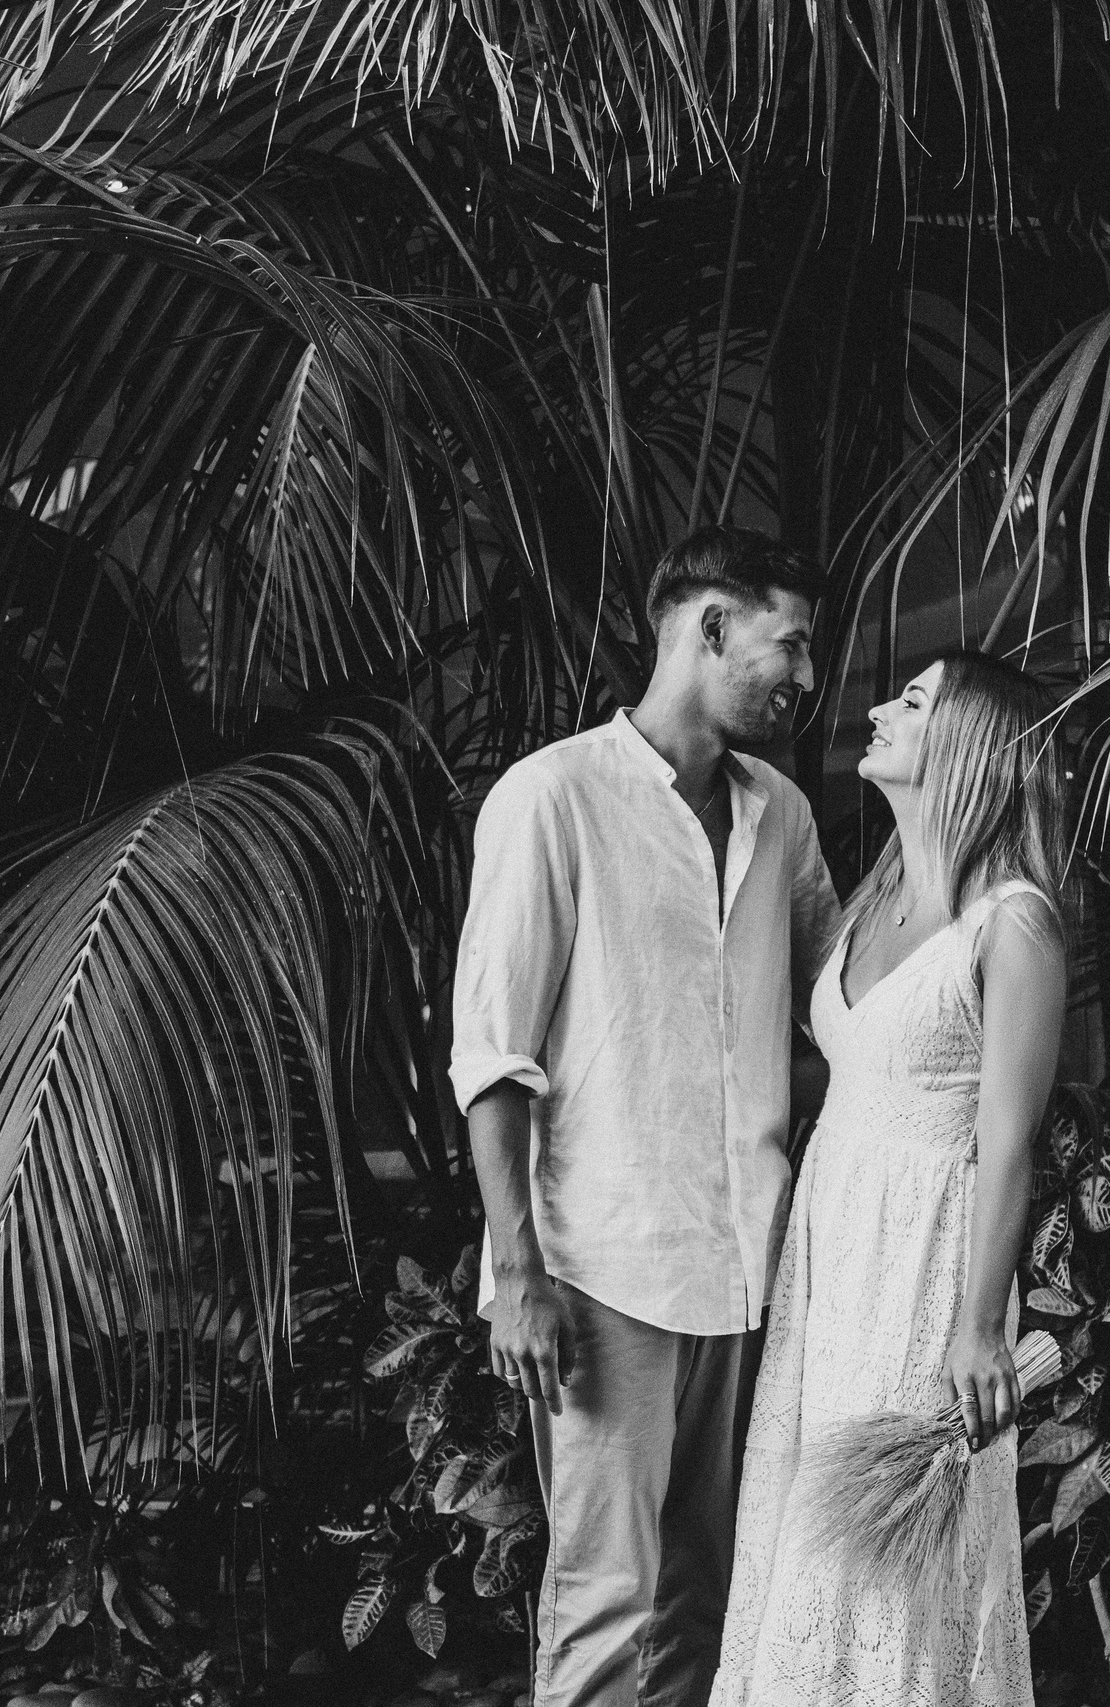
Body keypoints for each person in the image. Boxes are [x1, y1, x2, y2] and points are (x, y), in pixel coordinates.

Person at [449, 527, 841, 1707]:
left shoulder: (781, 817)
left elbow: (839, 1000)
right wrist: (514, 1268)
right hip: (600, 1271)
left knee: (706, 1598)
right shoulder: (553, 797)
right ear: (709, 628)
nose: (807, 679)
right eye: (792, 644)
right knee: (604, 1605)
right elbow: (493, 1054)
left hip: (745, 1265)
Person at [710, 650, 1070, 1707]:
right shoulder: (870, 898)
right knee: (800, 1543)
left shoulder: (1015, 922)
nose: (874, 710)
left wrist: (980, 1328)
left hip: (925, 1266)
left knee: (888, 1583)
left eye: (911, 702)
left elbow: (1007, 1143)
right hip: (832, 1261)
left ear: (968, 746)